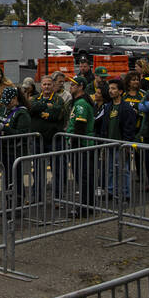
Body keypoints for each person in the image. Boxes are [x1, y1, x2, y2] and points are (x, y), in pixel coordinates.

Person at [0, 85, 32, 212]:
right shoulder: (4, 110)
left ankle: (18, 206)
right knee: (7, 179)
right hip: (4, 149)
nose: (6, 105)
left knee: (16, 179)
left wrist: (4, 128)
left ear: (15, 99)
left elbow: (21, 133)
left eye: (8, 102)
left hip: (16, 151)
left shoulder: (22, 113)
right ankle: (8, 205)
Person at [64, 75, 96, 217]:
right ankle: (87, 206)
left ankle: (85, 208)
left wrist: (75, 146)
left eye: (73, 85)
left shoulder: (81, 103)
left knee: (83, 178)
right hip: (82, 145)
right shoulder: (78, 102)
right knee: (83, 178)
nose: (70, 87)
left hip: (82, 146)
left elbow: (80, 126)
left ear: (81, 87)